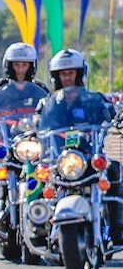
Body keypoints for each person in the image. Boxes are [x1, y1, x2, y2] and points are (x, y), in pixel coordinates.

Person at [39, 49, 123, 245]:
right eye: (63, 73)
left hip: (89, 155)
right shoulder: (48, 103)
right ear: (56, 76)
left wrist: (115, 117)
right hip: (60, 159)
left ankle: (117, 227)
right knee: (37, 176)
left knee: (114, 170)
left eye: (71, 72)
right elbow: (38, 123)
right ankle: (38, 225)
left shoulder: (94, 100)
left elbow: (110, 114)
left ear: (80, 73)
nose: (67, 77)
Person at [0, 42, 49, 119]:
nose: (20, 70)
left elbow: (50, 114)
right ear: (9, 66)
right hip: (3, 130)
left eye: (24, 65)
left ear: (31, 66)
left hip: (33, 130)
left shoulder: (40, 89)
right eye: (16, 65)